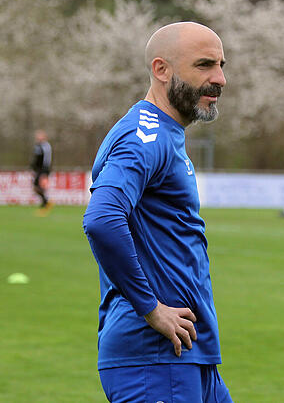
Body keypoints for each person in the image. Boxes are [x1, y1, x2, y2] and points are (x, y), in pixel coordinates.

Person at [82, 22, 232, 402]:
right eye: (204, 65)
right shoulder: (142, 136)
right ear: (161, 70)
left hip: (186, 355)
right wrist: (151, 309)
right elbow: (102, 219)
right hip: (153, 358)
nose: (220, 79)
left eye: (221, 65)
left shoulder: (165, 134)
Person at [30, 129, 53, 215]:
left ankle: (45, 204)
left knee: (40, 187)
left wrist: (44, 171)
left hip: (43, 170)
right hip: (38, 170)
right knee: (36, 187)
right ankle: (46, 202)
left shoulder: (46, 146)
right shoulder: (38, 146)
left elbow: (46, 160)